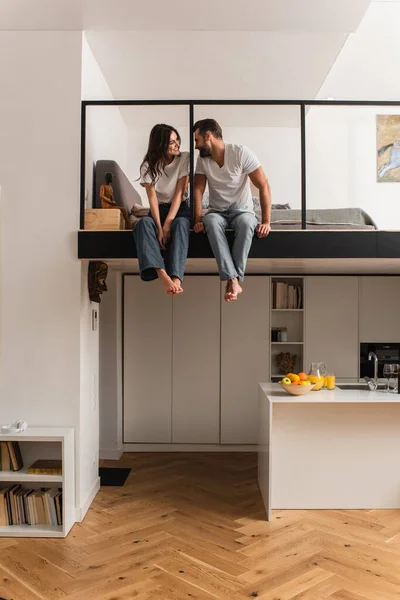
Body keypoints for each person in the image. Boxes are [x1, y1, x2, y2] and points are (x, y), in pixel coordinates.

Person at [193, 118, 271, 302]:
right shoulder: (202, 160)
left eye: (197, 140)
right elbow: (198, 189)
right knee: (210, 221)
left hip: (242, 211)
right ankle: (234, 280)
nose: (196, 146)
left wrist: (266, 221)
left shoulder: (240, 153)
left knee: (246, 224)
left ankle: (231, 279)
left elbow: (263, 185)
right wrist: (197, 219)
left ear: (208, 136)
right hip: (217, 212)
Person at [133, 123, 190, 295]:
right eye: (171, 142)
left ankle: (177, 278)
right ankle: (161, 272)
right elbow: (152, 200)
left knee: (180, 225)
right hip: (159, 209)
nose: (177, 144)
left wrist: (167, 225)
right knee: (142, 224)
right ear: (160, 144)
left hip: (179, 208)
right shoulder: (148, 165)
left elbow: (179, 194)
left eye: (177, 139)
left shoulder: (184, 158)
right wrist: (159, 228)